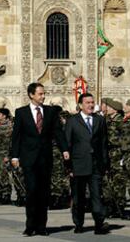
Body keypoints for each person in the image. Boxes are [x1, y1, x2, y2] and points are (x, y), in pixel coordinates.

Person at [11, 82, 68, 237]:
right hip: (28, 158)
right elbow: (16, 136)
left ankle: (42, 226)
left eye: (44, 93)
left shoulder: (50, 112)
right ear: (31, 95)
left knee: (43, 192)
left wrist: (64, 149)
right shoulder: (21, 112)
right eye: (40, 94)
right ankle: (30, 226)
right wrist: (14, 156)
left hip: (45, 157)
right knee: (31, 192)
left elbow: (58, 132)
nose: (43, 96)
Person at [64, 93, 110, 235]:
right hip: (78, 165)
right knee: (78, 197)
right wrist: (69, 167)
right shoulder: (72, 121)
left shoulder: (100, 120)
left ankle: (99, 223)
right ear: (80, 105)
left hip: (96, 165)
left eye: (92, 102)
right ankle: (79, 224)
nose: (90, 105)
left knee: (97, 196)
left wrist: (105, 164)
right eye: (87, 103)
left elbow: (103, 143)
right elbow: (67, 145)